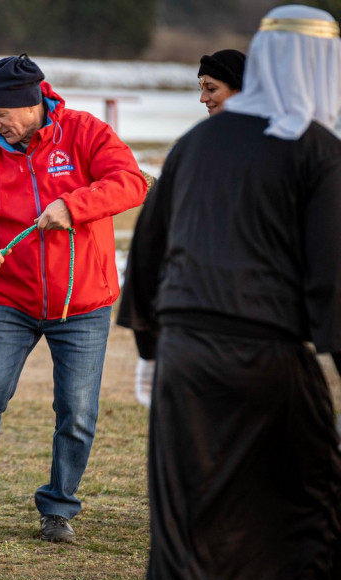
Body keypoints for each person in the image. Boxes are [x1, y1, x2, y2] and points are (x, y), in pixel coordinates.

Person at [118, 5, 341, 580]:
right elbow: (331, 276)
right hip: (269, 360)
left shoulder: (195, 142)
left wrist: (154, 353)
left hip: (186, 358)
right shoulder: (317, 148)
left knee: (184, 516)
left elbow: (149, 255)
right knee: (295, 519)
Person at [0, 54, 147, 541]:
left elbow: (131, 183)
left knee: (77, 409)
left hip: (84, 305)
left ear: (31, 105)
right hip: (13, 302)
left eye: (1, 114)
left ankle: (59, 508)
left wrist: (74, 206)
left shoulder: (85, 132)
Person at [131, 48, 247, 408]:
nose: (203, 98)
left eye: (211, 88)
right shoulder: (195, 145)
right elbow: (153, 239)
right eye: (201, 88)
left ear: (241, 88)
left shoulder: (272, 150)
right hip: (194, 303)